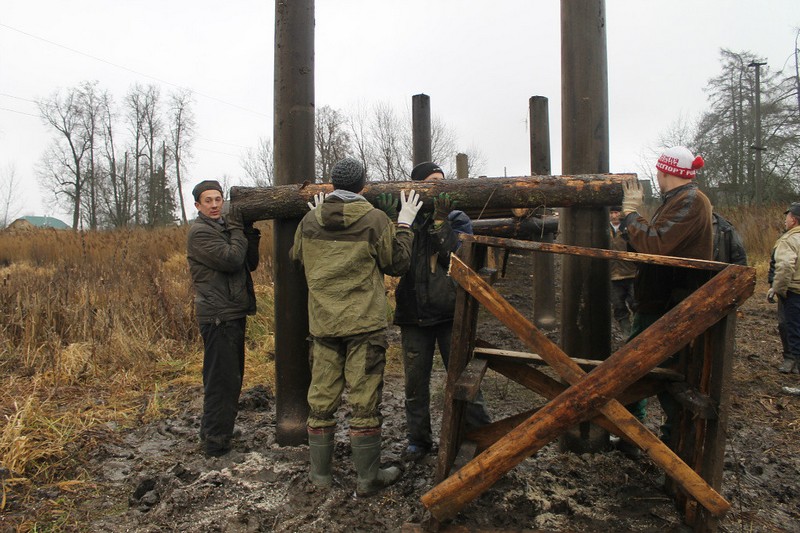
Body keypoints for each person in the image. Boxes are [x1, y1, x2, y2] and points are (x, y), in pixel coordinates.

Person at [290, 157, 422, 497]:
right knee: (364, 401)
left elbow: (297, 258)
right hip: (364, 324)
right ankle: (368, 477)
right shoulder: (375, 219)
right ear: (363, 186)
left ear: (333, 185)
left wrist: (315, 220)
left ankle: (320, 476)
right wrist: (404, 224)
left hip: (323, 324)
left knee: (321, 398)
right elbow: (397, 264)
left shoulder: (309, 220)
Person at [392, 161, 492, 463]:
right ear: (416, 187)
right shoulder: (405, 219)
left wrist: (440, 222)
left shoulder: (457, 217)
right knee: (415, 384)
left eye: (442, 180)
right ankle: (418, 440)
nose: (438, 186)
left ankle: (480, 437)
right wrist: (396, 222)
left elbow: (459, 259)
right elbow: (396, 261)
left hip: (451, 313)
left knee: (464, 380)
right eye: (431, 181)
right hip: (413, 314)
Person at [619, 146, 713, 450]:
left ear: (664, 172)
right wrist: (630, 226)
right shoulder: (676, 201)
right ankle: (635, 435)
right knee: (641, 369)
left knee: (653, 372)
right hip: (660, 301)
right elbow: (651, 244)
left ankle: (672, 444)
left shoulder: (690, 201)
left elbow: (655, 244)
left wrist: (631, 214)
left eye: (659, 171)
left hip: (670, 305)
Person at [186, 180, 261, 457]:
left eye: (218, 199)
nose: (215, 205)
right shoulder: (200, 233)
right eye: (208, 200)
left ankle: (214, 432)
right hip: (218, 316)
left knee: (229, 377)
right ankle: (216, 442)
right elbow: (231, 259)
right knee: (222, 380)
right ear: (198, 205)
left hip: (231, 312)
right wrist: (237, 229)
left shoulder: (222, 228)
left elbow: (249, 263)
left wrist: (248, 231)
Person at [768, 203, 800, 374]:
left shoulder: (789, 240)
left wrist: (777, 289)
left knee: (792, 330)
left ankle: (793, 360)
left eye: (787, 217)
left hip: (793, 293)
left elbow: (785, 266)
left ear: (794, 220)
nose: (785, 220)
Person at [609, 206, 636, 339]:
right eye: (611, 212)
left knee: (636, 304)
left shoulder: (629, 228)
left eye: (616, 212)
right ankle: (627, 335)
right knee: (618, 307)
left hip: (631, 273)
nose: (614, 215)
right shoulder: (603, 230)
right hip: (612, 275)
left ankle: (638, 333)